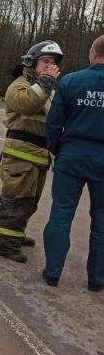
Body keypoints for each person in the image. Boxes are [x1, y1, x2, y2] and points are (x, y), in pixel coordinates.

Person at [0, 40, 63, 263]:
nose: (51, 67)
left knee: (30, 202)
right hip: (20, 155)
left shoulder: (46, 88)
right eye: (46, 62)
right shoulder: (20, 85)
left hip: (39, 155)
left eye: (54, 63)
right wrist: (47, 81)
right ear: (32, 63)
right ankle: (3, 243)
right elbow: (26, 104)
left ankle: (15, 235)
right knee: (15, 201)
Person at [42, 35, 104, 291]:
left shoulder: (71, 81)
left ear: (92, 52)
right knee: (102, 219)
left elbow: (53, 124)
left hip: (72, 155)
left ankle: (53, 272)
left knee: (61, 212)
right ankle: (97, 279)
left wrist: (58, 150)